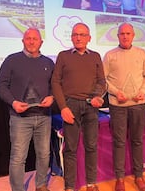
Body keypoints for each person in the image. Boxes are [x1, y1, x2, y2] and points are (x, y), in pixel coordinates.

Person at [0, 28, 55, 191]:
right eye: (28, 38)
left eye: (35, 39)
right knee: (18, 158)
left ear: (41, 42)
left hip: (44, 117)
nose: (31, 41)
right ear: (23, 41)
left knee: (44, 155)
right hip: (19, 118)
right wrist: (13, 102)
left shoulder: (49, 63)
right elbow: (0, 85)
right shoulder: (12, 60)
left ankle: (41, 185)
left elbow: (55, 86)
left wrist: (52, 97)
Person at [51, 23, 106, 191]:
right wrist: (63, 107)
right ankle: (69, 186)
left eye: (82, 35)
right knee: (71, 149)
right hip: (71, 106)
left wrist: (97, 96)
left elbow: (101, 82)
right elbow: (55, 82)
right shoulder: (63, 55)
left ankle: (91, 183)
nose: (78, 37)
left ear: (89, 38)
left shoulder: (96, 56)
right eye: (75, 34)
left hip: (91, 106)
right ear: (71, 37)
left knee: (91, 146)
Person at [103, 23, 145, 191]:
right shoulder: (110, 55)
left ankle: (139, 176)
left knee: (137, 141)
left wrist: (143, 90)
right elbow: (102, 80)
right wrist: (115, 92)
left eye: (128, 33)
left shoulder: (141, 53)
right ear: (117, 36)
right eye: (122, 33)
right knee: (119, 142)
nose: (125, 36)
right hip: (117, 106)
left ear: (133, 35)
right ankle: (120, 178)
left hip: (138, 105)